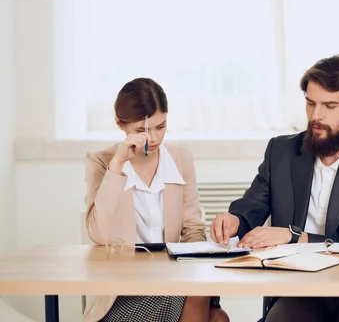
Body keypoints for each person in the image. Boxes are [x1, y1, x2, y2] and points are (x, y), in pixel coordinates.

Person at [211, 55, 339, 322]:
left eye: (329, 106)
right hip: (297, 288)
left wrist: (296, 238)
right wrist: (234, 220)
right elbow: (251, 208)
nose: (316, 116)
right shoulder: (281, 151)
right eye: (310, 103)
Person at [83, 78, 229, 322]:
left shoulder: (180, 159)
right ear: (120, 124)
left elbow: (192, 229)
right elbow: (99, 233)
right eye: (141, 130)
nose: (152, 138)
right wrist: (117, 165)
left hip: (173, 277)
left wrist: (192, 265)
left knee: (215, 313)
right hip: (123, 291)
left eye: (160, 126)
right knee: (214, 316)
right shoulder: (101, 162)